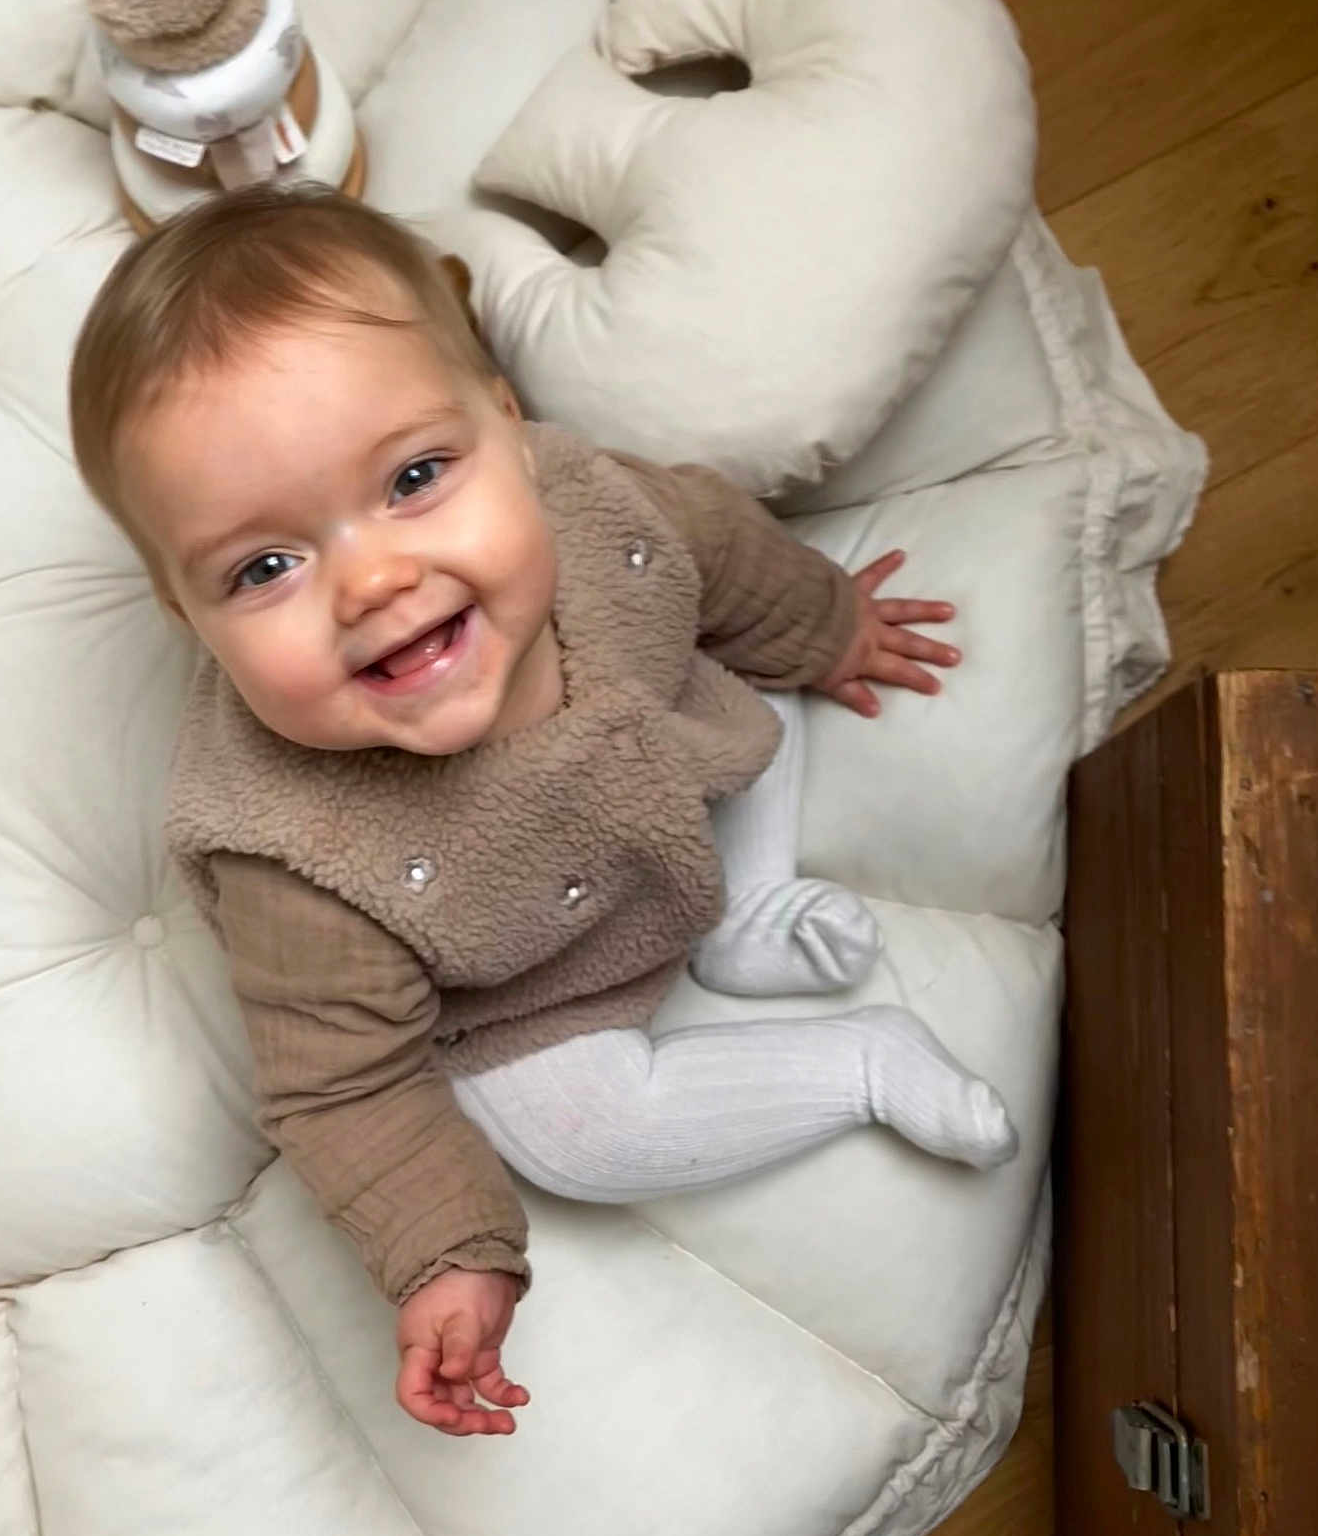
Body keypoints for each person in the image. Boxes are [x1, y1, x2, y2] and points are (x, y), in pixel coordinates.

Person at [68, 183, 1016, 1440]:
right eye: (265, 567)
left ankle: (749, 912)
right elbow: (346, 1090)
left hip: (681, 775)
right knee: (577, 1139)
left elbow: (726, 558)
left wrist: (826, 624)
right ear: (189, 618)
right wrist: (443, 1254)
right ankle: (860, 1063)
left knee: (757, 704)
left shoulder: (599, 514)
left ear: (509, 434)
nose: (375, 579)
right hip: (535, 993)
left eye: (413, 477)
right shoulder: (289, 857)